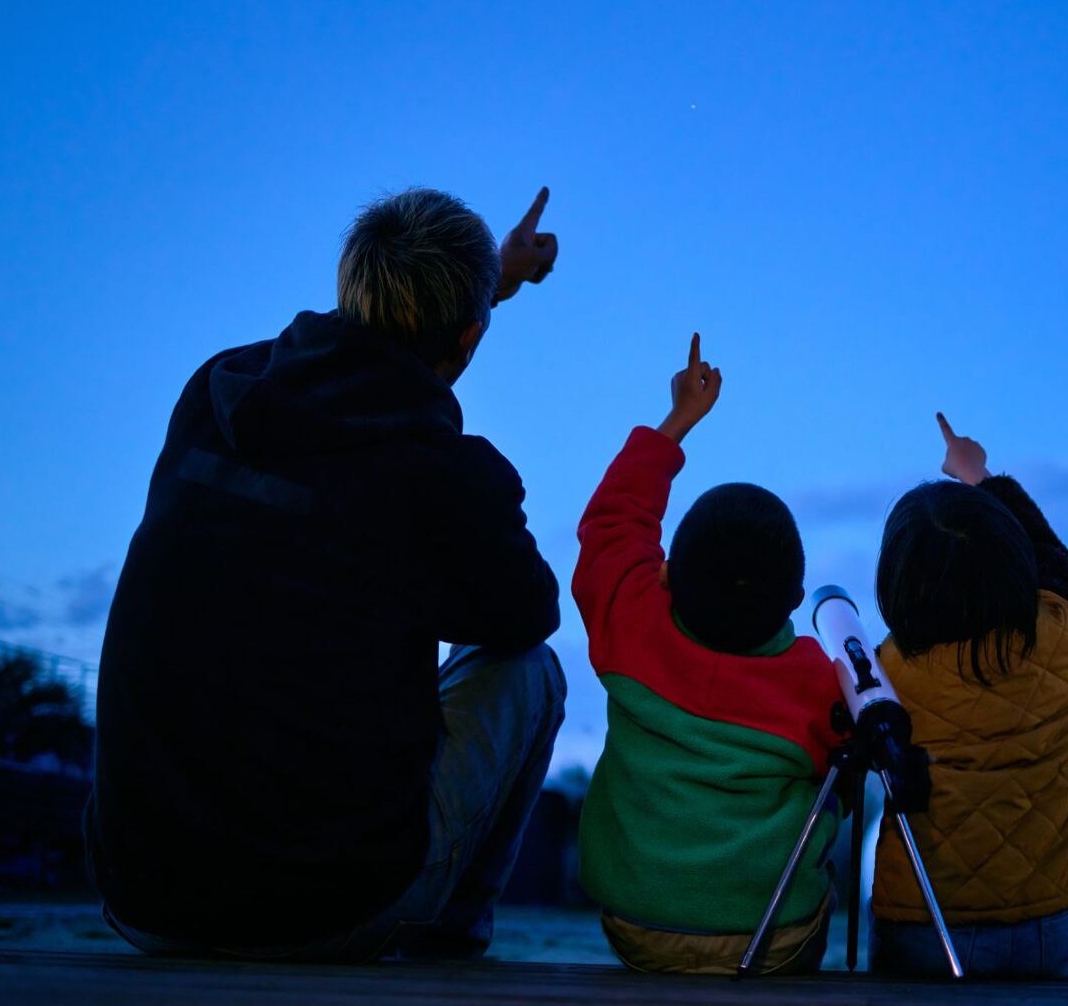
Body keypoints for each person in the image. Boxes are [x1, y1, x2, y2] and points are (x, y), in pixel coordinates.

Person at [88, 186, 568, 962]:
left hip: (141, 896)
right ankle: (444, 938)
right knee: (531, 671)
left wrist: (491, 286)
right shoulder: (445, 479)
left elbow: (371, 344)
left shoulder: (218, 392)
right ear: (470, 339)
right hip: (328, 912)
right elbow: (527, 614)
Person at [571, 335, 842, 975]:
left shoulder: (629, 622)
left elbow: (612, 524)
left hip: (638, 927)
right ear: (796, 599)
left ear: (666, 573)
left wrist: (677, 423)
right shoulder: (815, 681)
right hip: (774, 938)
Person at [867, 413, 1068, 978]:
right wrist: (979, 477)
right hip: (1050, 927)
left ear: (898, 585)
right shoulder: (1065, 635)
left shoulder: (887, 675)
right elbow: (1054, 559)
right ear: (1015, 564)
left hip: (924, 925)